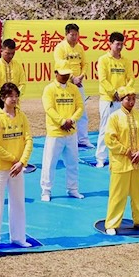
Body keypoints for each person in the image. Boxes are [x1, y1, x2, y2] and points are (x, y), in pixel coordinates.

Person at [0, 82, 33, 251]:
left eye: (16, 96)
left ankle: (18, 236)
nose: (14, 99)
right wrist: (13, 159)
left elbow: (28, 140)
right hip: (0, 168)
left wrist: (22, 162)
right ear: (3, 98)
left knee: (18, 202)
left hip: (17, 168)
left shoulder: (21, 116)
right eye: (11, 96)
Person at [104, 86, 139, 236]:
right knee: (118, 194)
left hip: (138, 161)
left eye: (133, 99)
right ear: (121, 100)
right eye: (128, 99)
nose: (131, 102)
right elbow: (110, 139)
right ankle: (112, 223)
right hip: (121, 162)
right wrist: (126, 151)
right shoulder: (114, 117)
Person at [40, 67, 85, 201]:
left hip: (71, 132)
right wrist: (61, 122)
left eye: (67, 74)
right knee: (50, 162)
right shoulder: (49, 89)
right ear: (56, 73)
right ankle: (46, 190)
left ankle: (73, 188)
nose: (65, 77)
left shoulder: (73, 89)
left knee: (73, 162)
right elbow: (49, 108)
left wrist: (71, 120)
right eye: (62, 74)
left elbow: (80, 107)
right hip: (55, 132)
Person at [0, 38, 27, 167]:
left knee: (14, 132)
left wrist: (15, 96)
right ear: (1, 51)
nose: (10, 56)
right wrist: (5, 98)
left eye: (12, 53)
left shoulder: (18, 65)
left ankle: (15, 159)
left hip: (14, 105)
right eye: (7, 53)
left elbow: (22, 83)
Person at [95, 32, 134, 166]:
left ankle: (122, 154)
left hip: (122, 100)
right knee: (106, 128)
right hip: (108, 99)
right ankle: (100, 158)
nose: (119, 47)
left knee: (123, 128)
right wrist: (114, 92)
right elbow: (103, 79)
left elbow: (131, 78)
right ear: (110, 44)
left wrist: (124, 92)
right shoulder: (103, 60)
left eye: (121, 44)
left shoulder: (125, 61)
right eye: (117, 44)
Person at [53, 23, 92, 149]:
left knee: (82, 111)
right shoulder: (60, 48)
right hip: (65, 83)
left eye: (76, 34)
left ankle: (83, 139)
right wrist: (71, 78)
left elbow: (85, 63)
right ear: (66, 34)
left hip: (78, 83)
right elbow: (59, 65)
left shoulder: (80, 48)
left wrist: (81, 76)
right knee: (65, 111)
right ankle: (66, 138)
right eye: (72, 34)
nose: (74, 37)